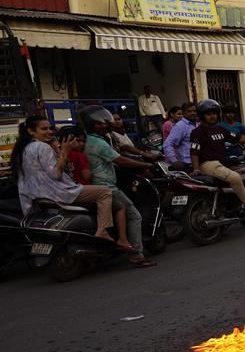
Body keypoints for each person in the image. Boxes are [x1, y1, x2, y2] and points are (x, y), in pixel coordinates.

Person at [12, 116, 126, 250]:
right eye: (44, 129)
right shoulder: (42, 147)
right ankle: (102, 230)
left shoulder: (23, 149)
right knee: (104, 191)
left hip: (35, 196)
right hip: (57, 192)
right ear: (31, 131)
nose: (49, 131)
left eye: (50, 128)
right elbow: (56, 174)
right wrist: (64, 152)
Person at [81, 105, 155, 267]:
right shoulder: (98, 143)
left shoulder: (94, 139)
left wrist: (141, 156)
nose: (104, 125)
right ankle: (137, 253)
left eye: (104, 123)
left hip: (96, 185)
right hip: (106, 186)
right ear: (90, 124)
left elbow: (122, 150)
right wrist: (144, 165)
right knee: (134, 215)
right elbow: (120, 160)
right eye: (99, 123)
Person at [190, 99, 245, 217]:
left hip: (222, 163)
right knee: (235, 178)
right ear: (202, 116)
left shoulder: (219, 129)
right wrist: (196, 169)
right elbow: (194, 151)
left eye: (214, 113)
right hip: (208, 164)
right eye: (208, 114)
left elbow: (240, 138)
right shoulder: (197, 132)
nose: (212, 116)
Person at [163, 101, 197, 170]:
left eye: (194, 111)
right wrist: (174, 161)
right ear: (183, 113)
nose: (192, 113)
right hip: (187, 165)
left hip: (199, 163)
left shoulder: (197, 124)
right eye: (189, 111)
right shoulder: (180, 126)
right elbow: (167, 144)